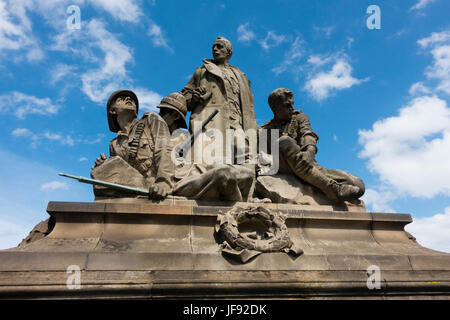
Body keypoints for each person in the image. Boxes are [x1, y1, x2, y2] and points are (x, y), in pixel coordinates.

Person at [260, 88, 365, 203]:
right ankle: (332, 188)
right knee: (285, 141)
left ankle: (319, 179)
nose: (292, 108)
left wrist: (309, 152)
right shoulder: (264, 130)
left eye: (292, 104)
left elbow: (307, 134)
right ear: (275, 107)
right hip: (282, 165)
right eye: (287, 105)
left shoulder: (299, 117)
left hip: (305, 161)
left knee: (358, 185)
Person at [93, 90, 187, 200]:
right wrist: (106, 165)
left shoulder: (151, 120)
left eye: (131, 99)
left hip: (155, 188)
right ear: (112, 110)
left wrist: (163, 183)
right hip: (134, 189)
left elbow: (164, 149)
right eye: (121, 99)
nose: (128, 99)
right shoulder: (114, 144)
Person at [181, 37, 257, 164]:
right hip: (211, 121)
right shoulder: (202, 71)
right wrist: (194, 97)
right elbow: (184, 98)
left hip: (236, 121)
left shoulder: (241, 76)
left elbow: (249, 106)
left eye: (219, 46)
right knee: (211, 162)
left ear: (229, 52)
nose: (215, 49)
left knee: (245, 154)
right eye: (213, 47)